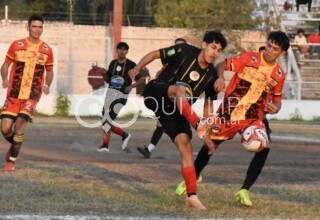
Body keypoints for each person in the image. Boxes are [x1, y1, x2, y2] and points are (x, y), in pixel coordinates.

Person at [174, 31, 290, 208]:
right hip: (229, 114)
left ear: (281, 53)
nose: (269, 51)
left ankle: (244, 190)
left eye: (275, 49)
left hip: (253, 117)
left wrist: (275, 108)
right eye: (268, 45)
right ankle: (194, 176)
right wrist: (220, 77)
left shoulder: (279, 74)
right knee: (210, 146)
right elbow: (221, 65)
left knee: (263, 147)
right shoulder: (249, 58)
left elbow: (277, 100)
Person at [129, 31, 227, 209]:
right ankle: (198, 127)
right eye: (213, 47)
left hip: (174, 110)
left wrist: (209, 128)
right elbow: (155, 54)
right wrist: (137, 67)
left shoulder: (212, 75)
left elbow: (208, 106)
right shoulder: (184, 50)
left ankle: (192, 195)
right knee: (179, 91)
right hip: (156, 92)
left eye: (219, 50)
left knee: (185, 145)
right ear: (204, 45)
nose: (215, 53)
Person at [0, 14, 54, 172]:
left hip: (33, 93)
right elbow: (5, 65)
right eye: (34, 26)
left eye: (40, 27)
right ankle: (15, 144)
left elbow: (50, 71)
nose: (37, 30)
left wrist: (47, 84)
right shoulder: (17, 45)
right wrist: (4, 78)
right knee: (5, 128)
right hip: (14, 92)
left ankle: (11, 161)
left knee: (20, 124)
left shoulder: (47, 50)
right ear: (28, 27)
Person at [137, 38, 187, 159]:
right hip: (166, 96)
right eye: (175, 46)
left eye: (180, 46)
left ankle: (185, 151)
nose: (177, 49)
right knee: (162, 123)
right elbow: (160, 74)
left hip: (176, 98)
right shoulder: (168, 63)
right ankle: (149, 149)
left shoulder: (187, 66)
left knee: (171, 125)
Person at [98, 42, 144, 152]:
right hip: (110, 94)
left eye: (124, 49)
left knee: (107, 120)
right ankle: (124, 135)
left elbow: (142, 79)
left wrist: (131, 86)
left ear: (127, 51)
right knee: (105, 121)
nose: (122, 51)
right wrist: (104, 74)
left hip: (121, 96)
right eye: (120, 49)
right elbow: (109, 80)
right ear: (117, 50)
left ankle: (105, 145)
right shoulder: (113, 63)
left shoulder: (131, 65)